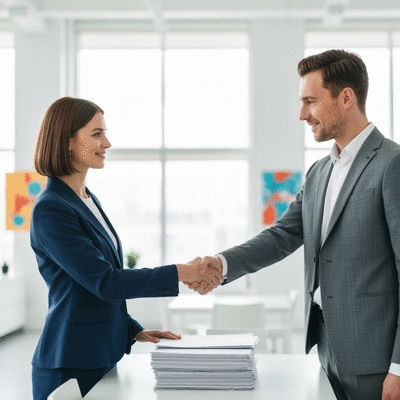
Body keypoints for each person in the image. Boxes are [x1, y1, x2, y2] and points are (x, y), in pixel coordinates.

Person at [190, 49, 400, 400]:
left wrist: (399, 366)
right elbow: (283, 235)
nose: (302, 114)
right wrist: (222, 264)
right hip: (327, 350)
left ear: (346, 97)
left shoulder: (392, 165)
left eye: (311, 101)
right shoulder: (320, 172)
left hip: (378, 361)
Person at [30, 96, 223, 400]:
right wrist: (180, 272)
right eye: (96, 134)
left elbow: (93, 288)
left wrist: (133, 329)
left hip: (100, 355)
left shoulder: (87, 200)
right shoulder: (51, 209)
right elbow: (104, 282)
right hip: (69, 363)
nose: (107, 142)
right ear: (66, 141)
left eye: (104, 132)